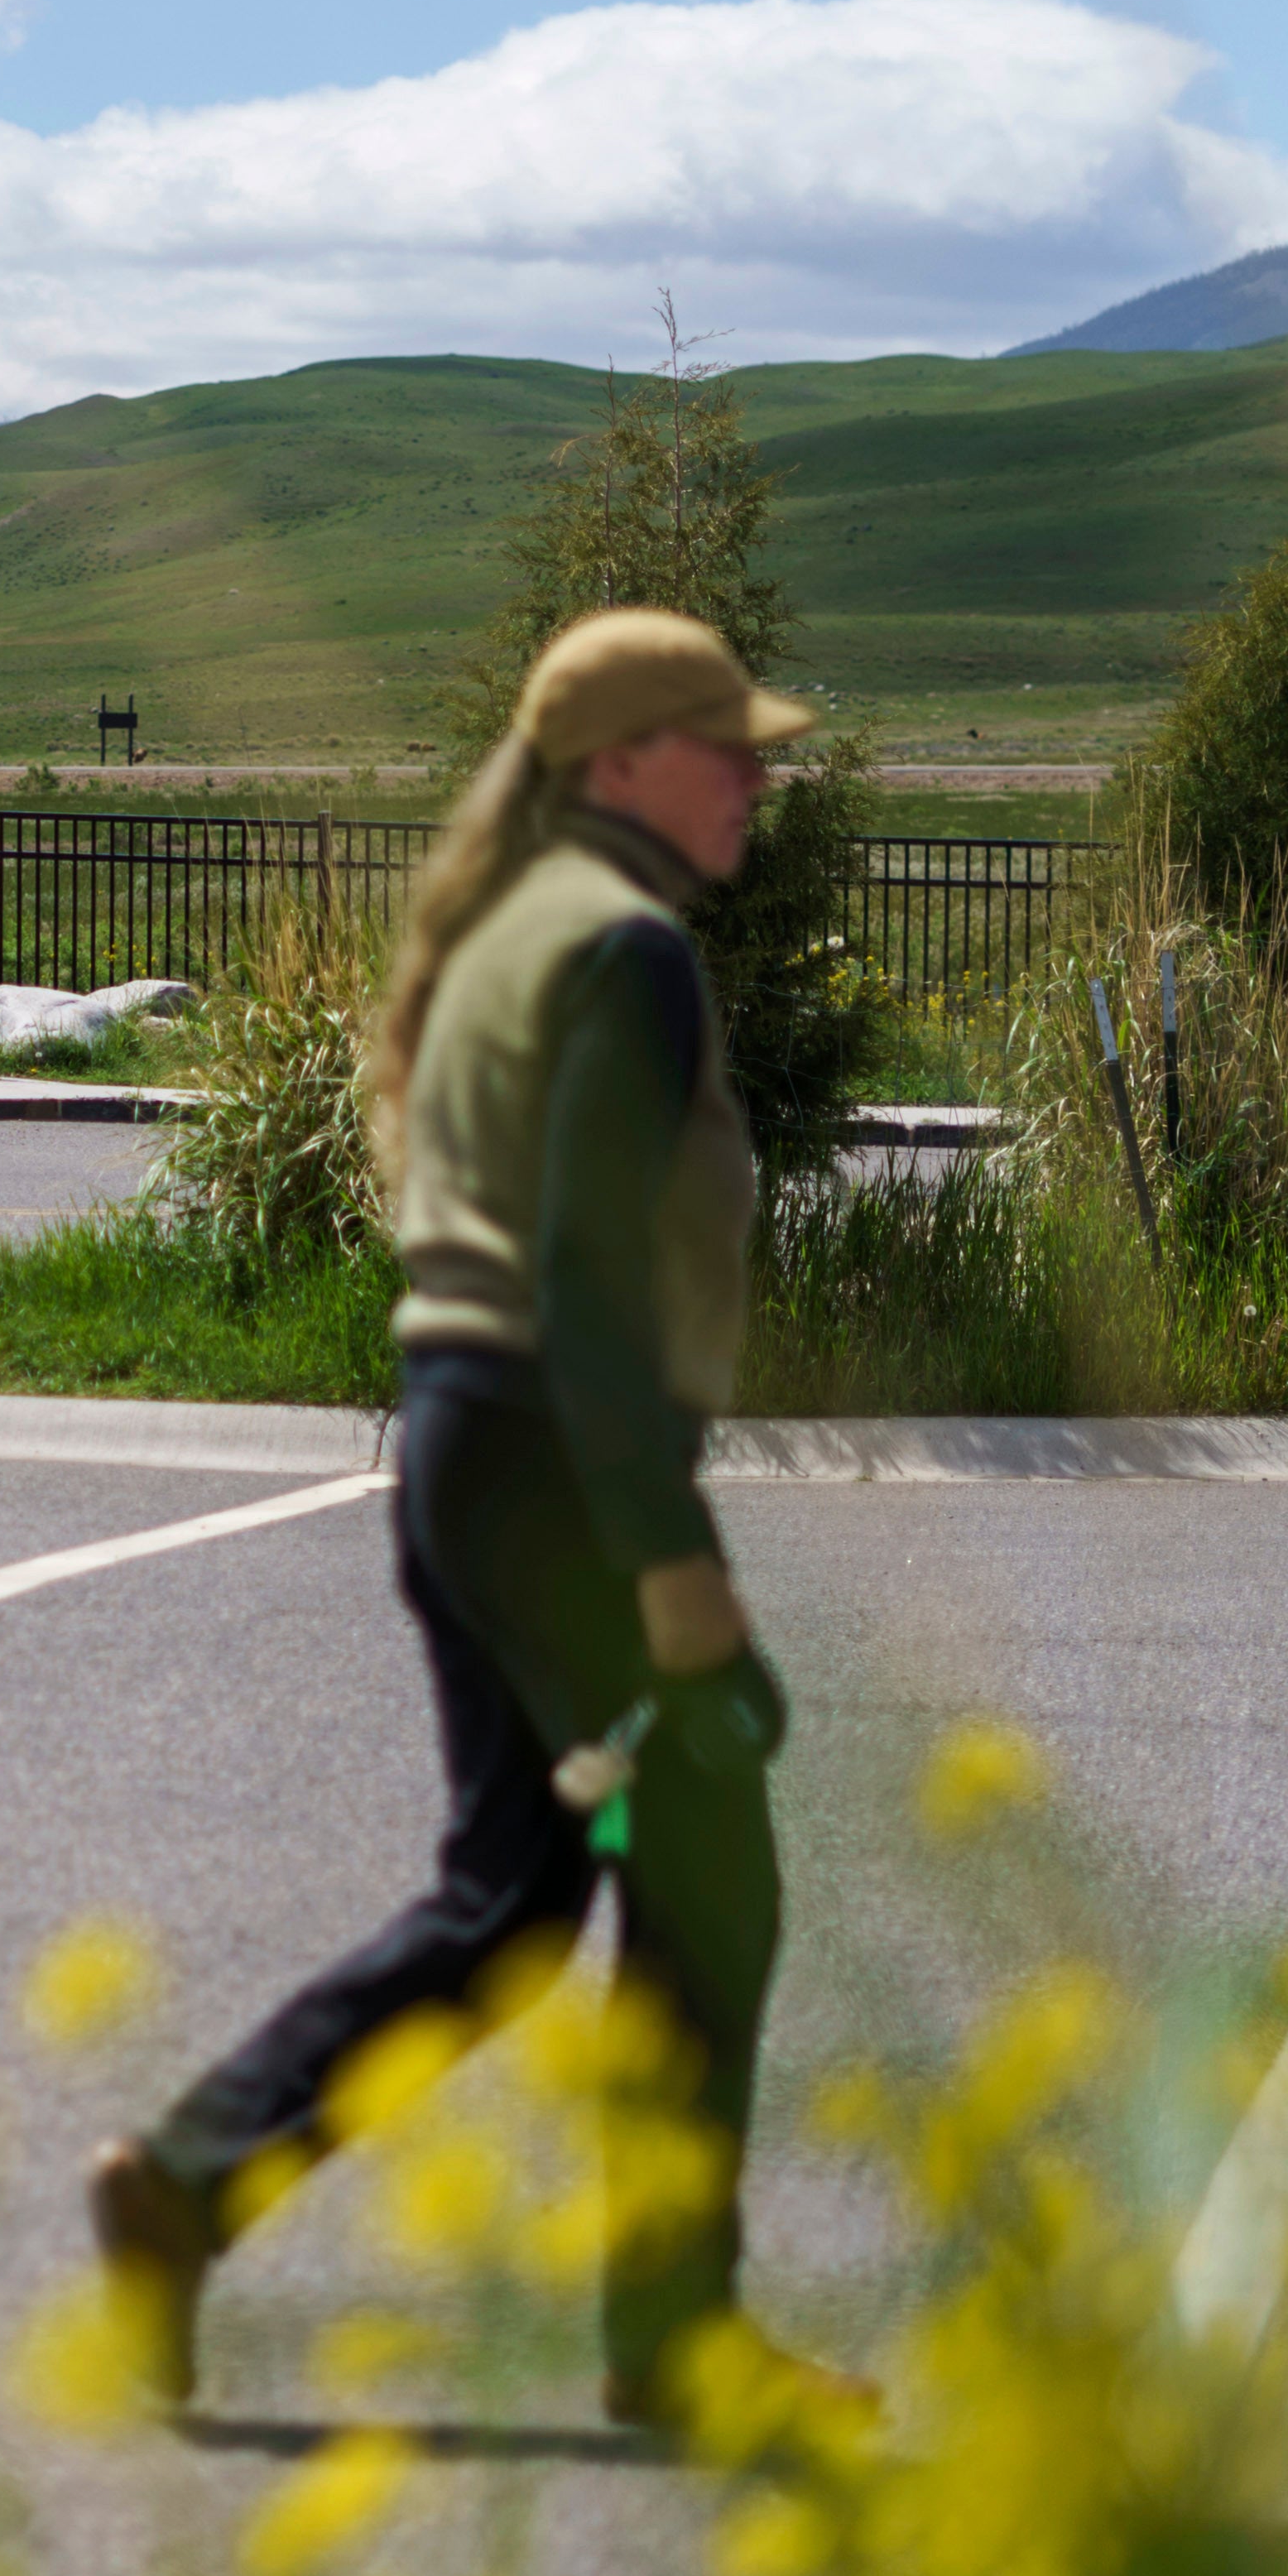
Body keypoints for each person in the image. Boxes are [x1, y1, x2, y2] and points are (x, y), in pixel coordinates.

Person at [84, 607, 853, 2443]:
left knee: (518, 1890)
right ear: (617, 767)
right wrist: (673, 1569)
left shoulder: (519, 932)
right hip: (554, 1459)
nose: (755, 771)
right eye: (719, 740)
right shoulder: (625, 952)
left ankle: (188, 2186)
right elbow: (588, 1287)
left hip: (467, 1446)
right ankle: (673, 2337)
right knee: (709, 1884)